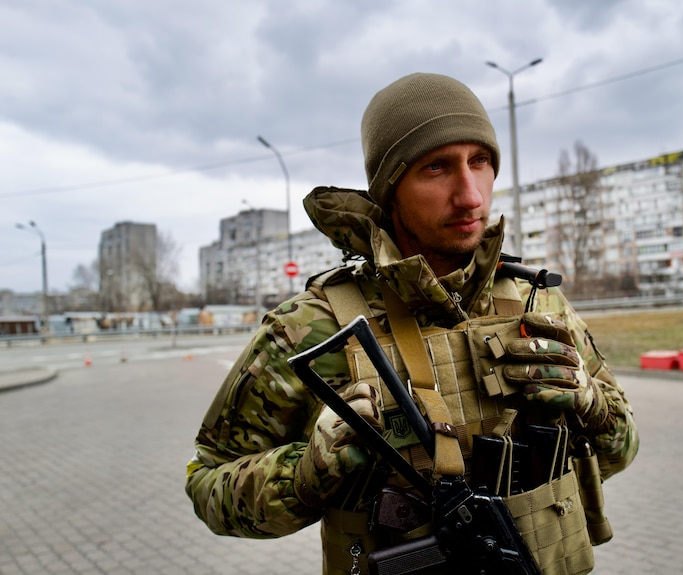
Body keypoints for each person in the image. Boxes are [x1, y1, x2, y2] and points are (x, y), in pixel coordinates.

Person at [186, 72, 638, 574]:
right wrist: (308, 472)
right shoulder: (312, 325)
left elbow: (621, 449)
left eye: (480, 161)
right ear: (391, 189)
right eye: (436, 167)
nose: (470, 195)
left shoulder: (539, 300)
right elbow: (210, 485)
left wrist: (594, 408)